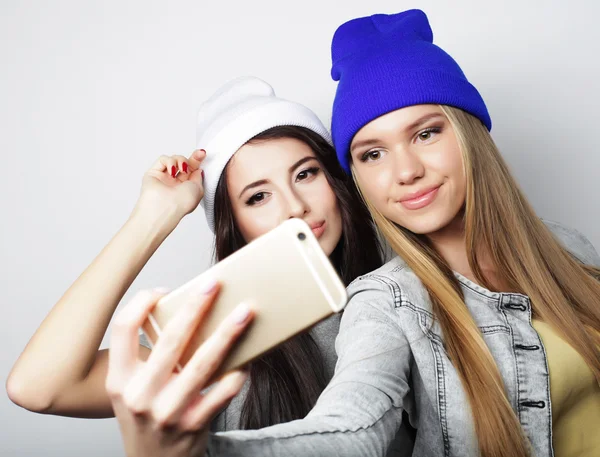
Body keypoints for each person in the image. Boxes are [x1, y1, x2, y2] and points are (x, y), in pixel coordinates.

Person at [107, 9, 600, 457]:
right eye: (372, 153)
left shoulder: (570, 248)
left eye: (426, 133)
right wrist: (195, 451)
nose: (405, 171)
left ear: (470, 133)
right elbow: (350, 427)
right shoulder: (385, 302)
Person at [6, 76, 382, 433]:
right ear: (236, 227)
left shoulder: (399, 293)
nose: (294, 207)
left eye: (305, 174)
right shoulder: (211, 336)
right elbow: (38, 387)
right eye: (257, 196)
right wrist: (153, 217)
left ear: (336, 180)